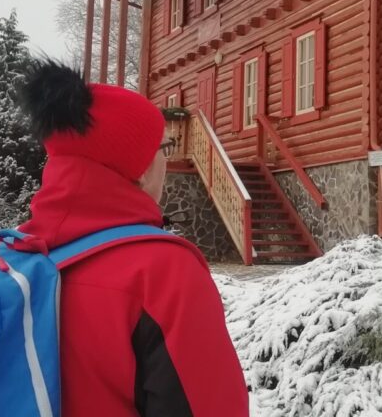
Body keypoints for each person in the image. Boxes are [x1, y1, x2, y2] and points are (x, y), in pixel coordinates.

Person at [18, 60, 248, 417]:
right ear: (139, 167)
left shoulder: (17, 256)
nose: (166, 162)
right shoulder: (164, 273)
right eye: (163, 148)